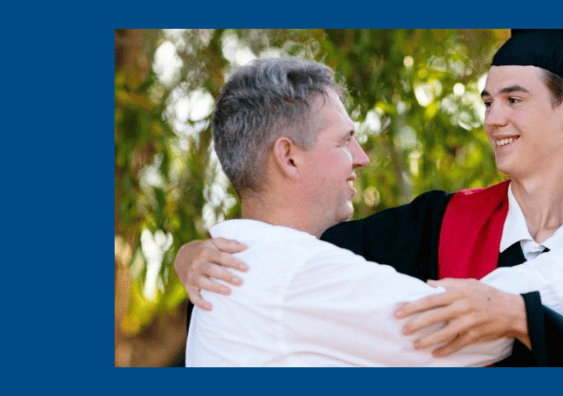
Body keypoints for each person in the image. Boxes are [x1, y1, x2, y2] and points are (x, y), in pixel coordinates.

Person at [176, 30, 563, 367]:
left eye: (513, 99)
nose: (492, 119)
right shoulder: (438, 222)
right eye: (488, 101)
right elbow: (286, 241)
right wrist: (196, 252)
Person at [189, 57, 537, 366]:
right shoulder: (296, 272)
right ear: (289, 157)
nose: (362, 157)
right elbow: (469, 334)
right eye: (343, 141)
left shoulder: (230, 269)